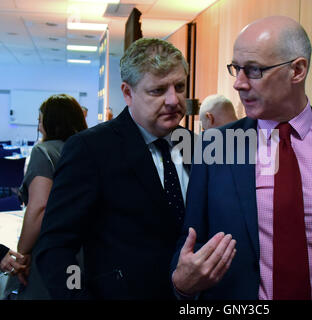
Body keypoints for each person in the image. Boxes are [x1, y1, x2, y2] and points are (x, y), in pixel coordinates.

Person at [171, 16, 312, 300]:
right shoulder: (214, 147)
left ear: (297, 70)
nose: (238, 84)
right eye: (236, 69)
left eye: (253, 71)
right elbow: (190, 244)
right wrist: (181, 285)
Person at [34, 38, 194, 299]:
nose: (173, 100)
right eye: (158, 90)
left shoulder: (194, 146)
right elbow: (55, 247)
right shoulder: (90, 149)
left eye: (180, 86)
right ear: (127, 93)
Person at [13, 94, 87, 298]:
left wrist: (22, 252)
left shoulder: (43, 152)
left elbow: (39, 207)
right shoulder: (89, 149)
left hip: (52, 251)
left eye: (40, 121)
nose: (38, 127)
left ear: (51, 121)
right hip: (87, 251)